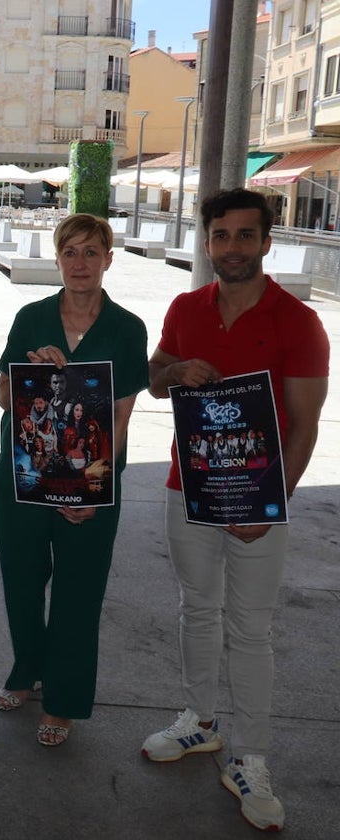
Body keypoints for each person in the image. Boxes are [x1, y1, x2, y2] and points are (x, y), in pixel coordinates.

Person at [140, 189, 329, 832]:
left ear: (266, 242)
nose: (233, 247)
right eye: (221, 236)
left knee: (251, 628)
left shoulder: (299, 321)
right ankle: (200, 721)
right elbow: (155, 375)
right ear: (208, 242)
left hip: (257, 497)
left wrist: (273, 504)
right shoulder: (186, 307)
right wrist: (175, 372)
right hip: (186, 485)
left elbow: (304, 426)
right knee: (197, 608)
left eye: (245, 236)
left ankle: (251, 756)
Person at [0, 213, 148, 747]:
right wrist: (33, 374)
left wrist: (93, 492)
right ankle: (26, 668)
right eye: (70, 252)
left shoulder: (127, 329)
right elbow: (2, 398)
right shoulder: (31, 318)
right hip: (25, 476)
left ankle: (64, 699)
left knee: (80, 591)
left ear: (109, 258)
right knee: (22, 579)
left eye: (91, 252)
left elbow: (122, 415)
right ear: (57, 260)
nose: (80, 263)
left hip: (93, 480)